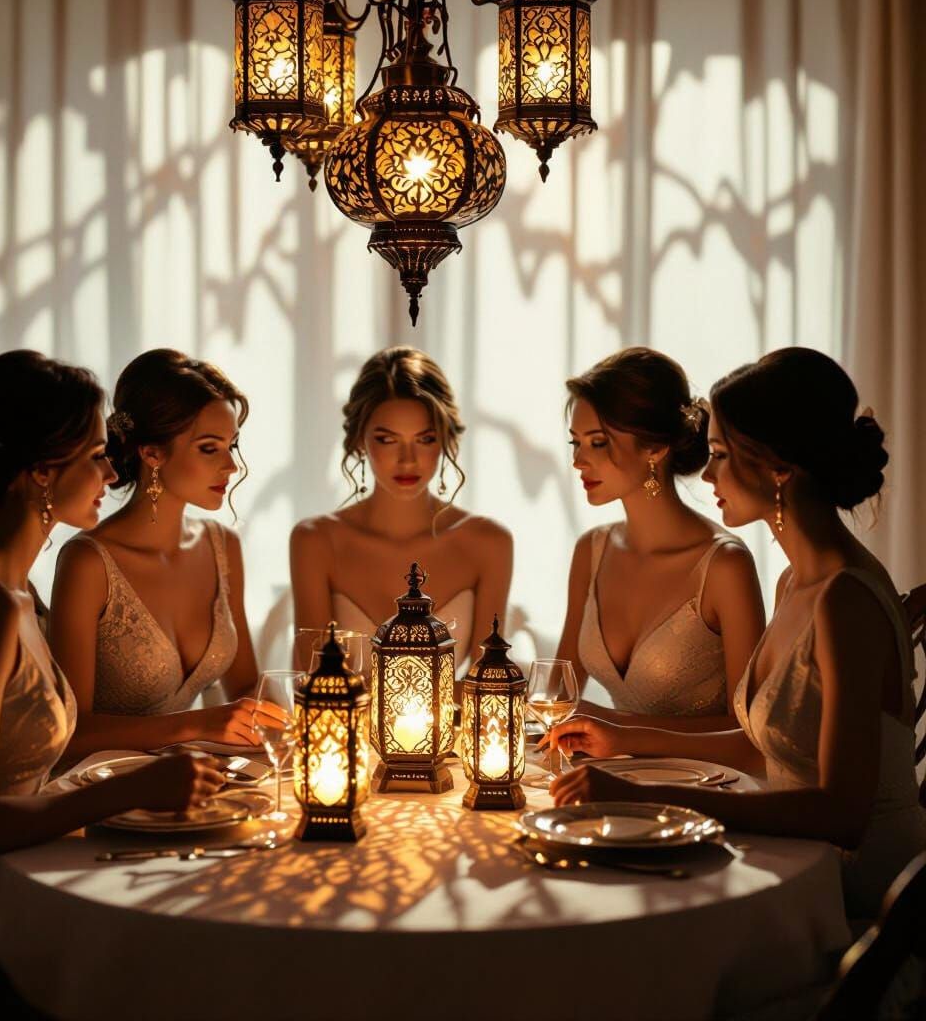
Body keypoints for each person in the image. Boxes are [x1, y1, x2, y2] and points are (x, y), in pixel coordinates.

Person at [547, 347, 926, 918]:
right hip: (797, 863)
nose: (706, 472)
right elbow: (761, 750)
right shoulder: (796, 582)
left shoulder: (845, 598)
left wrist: (649, 797)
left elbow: (841, 815)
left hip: (864, 909)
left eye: (721, 454)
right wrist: (619, 739)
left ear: (777, 466)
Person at [0, 351, 222, 863]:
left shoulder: (12, 585)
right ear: (43, 472)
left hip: (29, 862)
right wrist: (128, 790)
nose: (112, 476)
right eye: (96, 455)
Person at [50, 349, 284, 760]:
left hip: (190, 785)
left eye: (232, 445)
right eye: (210, 449)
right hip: (99, 795)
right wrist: (197, 725)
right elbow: (70, 734)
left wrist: (281, 723)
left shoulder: (222, 546)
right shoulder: (88, 562)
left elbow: (245, 685)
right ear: (151, 453)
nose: (231, 465)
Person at [555, 348, 765, 729]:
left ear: (655, 447)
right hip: (609, 778)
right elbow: (556, 694)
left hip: (710, 785)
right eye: (576, 443)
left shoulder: (725, 566)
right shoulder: (591, 551)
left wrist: (619, 728)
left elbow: (747, 730)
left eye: (598, 442)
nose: (579, 461)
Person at [290, 346, 512, 669]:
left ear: (445, 440)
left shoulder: (490, 544)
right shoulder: (314, 542)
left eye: (424, 439)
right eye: (387, 439)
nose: (408, 460)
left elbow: (487, 687)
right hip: (341, 722)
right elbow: (312, 680)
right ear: (358, 441)